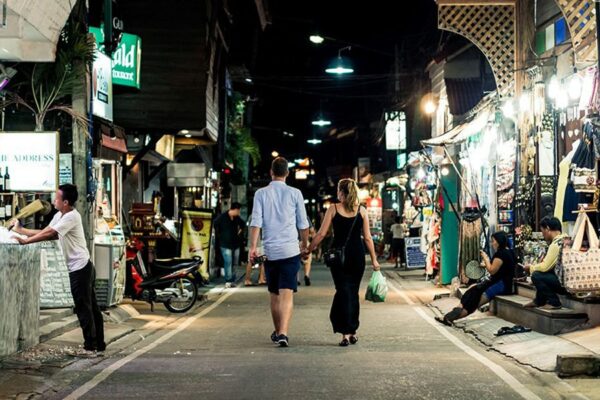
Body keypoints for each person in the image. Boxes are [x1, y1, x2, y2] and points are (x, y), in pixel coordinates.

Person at [12, 184, 105, 356]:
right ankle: (99, 344)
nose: (54, 200)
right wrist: (22, 230)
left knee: (84, 308)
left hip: (80, 268)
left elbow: (50, 235)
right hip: (83, 266)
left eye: (57, 198)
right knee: (91, 306)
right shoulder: (59, 215)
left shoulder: (71, 217)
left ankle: (91, 347)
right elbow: (47, 231)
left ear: (66, 202)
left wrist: (25, 241)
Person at [308, 178, 381, 347]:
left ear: (341, 192)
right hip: (357, 256)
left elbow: (321, 234)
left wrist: (309, 249)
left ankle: (346, 334)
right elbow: (368, 238)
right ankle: (352, 330)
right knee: (352, 292)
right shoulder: (361, 210)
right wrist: (374, 260)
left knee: (343, 291)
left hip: (338, 257)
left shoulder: (333, 209)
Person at [249, 157, 310, 347]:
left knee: (274, 294)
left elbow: (256, 222)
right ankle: (282, 332)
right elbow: (303, 223)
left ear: (271, 172)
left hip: (270, 251)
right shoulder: (295, 193)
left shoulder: (261, 193)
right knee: (286, 293)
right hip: (290, 250)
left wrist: (253, 247)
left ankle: (278, 332)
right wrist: (305, 244)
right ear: (288, 173)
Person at [437, 231, 516, 325]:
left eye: (493, 241)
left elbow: (492, 270)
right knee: (472, 289)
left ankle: (450, 317)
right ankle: (451, 315)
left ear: (499, 241)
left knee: (473, 301)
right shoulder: (510, 252)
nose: (492, 243)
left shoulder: (501, 254)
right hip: (499, 283)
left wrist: (486, 258)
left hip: (500, 285)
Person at [523, 217, 568, 309]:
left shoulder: (556, 244)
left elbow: (545, 267)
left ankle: (554, 302)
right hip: (567, 280)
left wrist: (531, 268)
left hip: (564, 284)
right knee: (542, 273)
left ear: (547, 229)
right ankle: (539, 300)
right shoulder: (566, 239)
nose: (543, 234)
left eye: (542, 231)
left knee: (536, 275)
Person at [214, 202, 245, 288]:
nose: (239, 213)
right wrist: (219, 234)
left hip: (235, 243)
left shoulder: (236, 218)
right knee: (228, 261)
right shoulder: (223, 217)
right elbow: (215, 224)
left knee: (235, 262)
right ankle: (228, 280)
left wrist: (239, 232)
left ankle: (233, 279)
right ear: (234, 210)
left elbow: (243, 224)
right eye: (238, 211)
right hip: (225, 243)